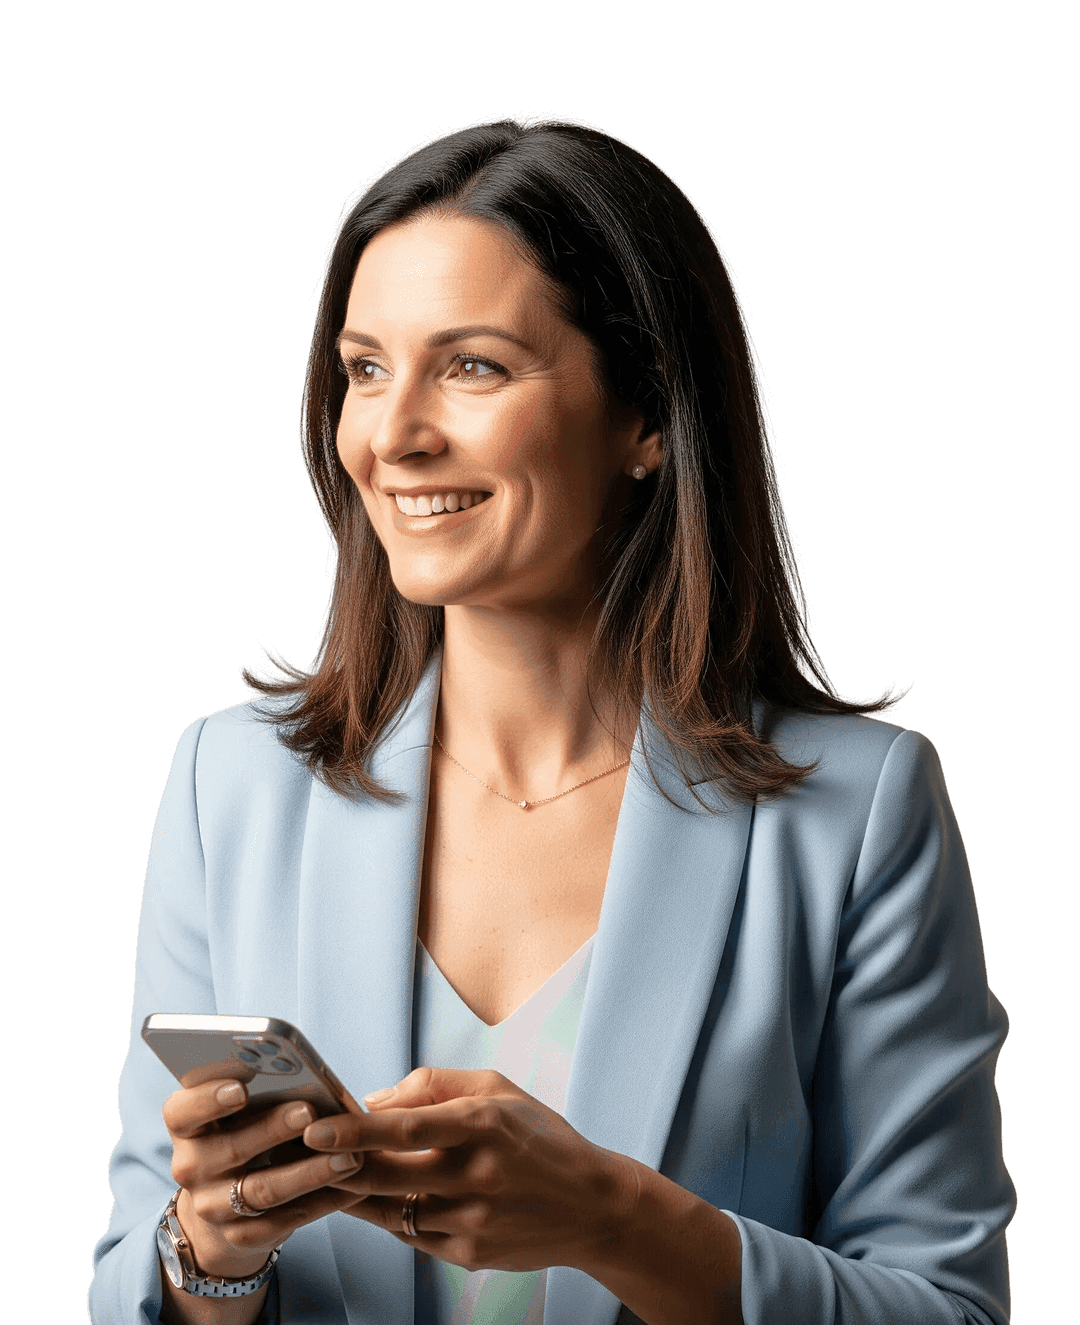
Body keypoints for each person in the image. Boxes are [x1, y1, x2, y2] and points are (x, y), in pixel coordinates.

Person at [89, 117, 1015, 1325]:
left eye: (470, 365)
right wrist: (209, 1251)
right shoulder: (231, 784)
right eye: (364, 368)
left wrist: (615, 1219)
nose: (393, 434)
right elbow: (127, 1281)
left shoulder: (857, 815)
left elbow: (950, 1308)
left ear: (645, 415)